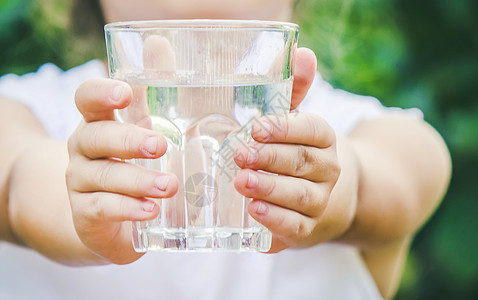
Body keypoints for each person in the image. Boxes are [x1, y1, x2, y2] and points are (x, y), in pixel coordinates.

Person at [0, 0, 451, 299]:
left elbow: (392, 178)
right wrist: (81, 206)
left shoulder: (376, 133)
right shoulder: (19, 114)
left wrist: (313, 184)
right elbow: (18, 182)